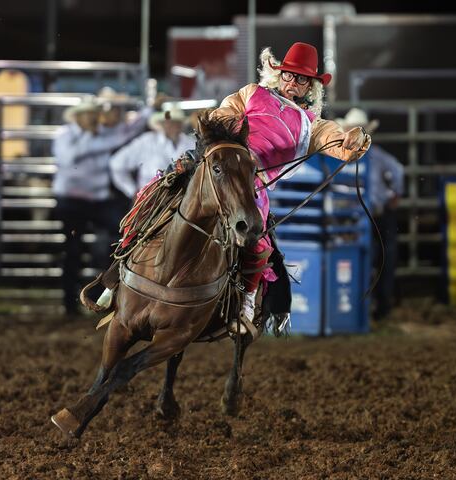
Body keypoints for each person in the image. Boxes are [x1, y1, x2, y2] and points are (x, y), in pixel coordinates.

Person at [208, 42, 372, 334]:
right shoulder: (251, 93)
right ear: (279, 74)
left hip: (252, 184)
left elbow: (340, 143)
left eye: (300, 78)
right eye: (288, 75)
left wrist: (355, 139)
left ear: (310, 86)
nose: (292, 82)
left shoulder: (313, 126)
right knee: (163, 187)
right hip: (223, 165)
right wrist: (226, 134)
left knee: (256, 239)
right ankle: (119, 270)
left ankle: (246, 302)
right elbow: (223, 113)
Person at [52, 94, 152, 314]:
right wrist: (99, 140)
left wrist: (148, 110)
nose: (93, 117)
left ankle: (101, 295)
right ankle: (70, 303)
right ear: (78, 116)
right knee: (73, 249)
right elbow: (68, 157)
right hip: (71, 201)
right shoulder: (65, 135)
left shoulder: (102, 134)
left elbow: (126, 132)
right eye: (89, 113)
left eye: (94, 113)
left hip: (97, 200)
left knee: (120, 237)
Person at [336, 108, 404, 320]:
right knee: (366, 257)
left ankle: (381, 304)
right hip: (354, 215)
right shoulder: (343, 156)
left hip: (376, 215)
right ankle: (363, 305)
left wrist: (395, 195)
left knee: (383, 257)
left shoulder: (375, 156)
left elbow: (398, 171)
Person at [109, 105, 195, 199]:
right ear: (162, 124)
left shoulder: (191, 143)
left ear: (181, 124)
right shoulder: (147, 141)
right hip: (150, 199)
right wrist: (132, 191)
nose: (173, 125)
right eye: (170, 122)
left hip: (183, 201)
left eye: (177, 122)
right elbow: (116, 163)